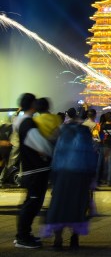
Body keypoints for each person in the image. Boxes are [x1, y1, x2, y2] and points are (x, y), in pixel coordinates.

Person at [41, 111, 97, 250]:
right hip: (80, 174)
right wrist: (92, 179)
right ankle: (74, 238)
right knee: (77, 206)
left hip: (62, 174)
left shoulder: (62, 132)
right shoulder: (84, 132)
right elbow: (90, 157)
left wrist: (53, 177)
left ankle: (58, 239)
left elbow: (55, 154)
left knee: (59, 206)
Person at [15, 93, 53, 249]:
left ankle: (25, 234)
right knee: (32, 204)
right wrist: (49, 151)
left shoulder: (21, 122)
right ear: (32, 105)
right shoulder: (28, 123)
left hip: (31, 170)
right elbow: (41, 145)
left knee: (31, 203)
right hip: (36, 169)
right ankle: (22, 237)